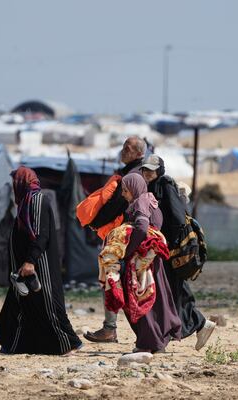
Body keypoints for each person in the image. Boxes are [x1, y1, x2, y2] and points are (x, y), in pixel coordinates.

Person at [0, 167, 82, 355]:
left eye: (14, 183)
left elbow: (41, 235)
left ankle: (69, 343)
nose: (12, 188)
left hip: (39, 266)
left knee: (48, 306)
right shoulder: (26, 202)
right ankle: (12, 344)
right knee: (20, 304)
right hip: (24, 267)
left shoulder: (37, 200)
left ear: (21, 183)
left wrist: (30, 261)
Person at [141, 154, 216, 350]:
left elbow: (177, 216)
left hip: (170, 247)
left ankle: (191, 325)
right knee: (174, 289)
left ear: (159, 170)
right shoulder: (152, 187)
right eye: (145, 169)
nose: (148, 173)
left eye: (151, 170)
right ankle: (197, 324)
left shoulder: (164, 184)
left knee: (173, 288)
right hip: (163, 246)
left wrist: (170, 244)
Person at [84, 136, 146, 344]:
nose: (123, 151)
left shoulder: (133, 175)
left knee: (114, 280)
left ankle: (112, 329)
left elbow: (118, 205)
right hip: (126, 236)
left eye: (128, 148)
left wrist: (96, 222)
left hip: (124, 238)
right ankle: (112, 328)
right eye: (123, 147)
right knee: (120, 282)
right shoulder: (135, 172)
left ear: (138, 152)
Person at [118, 174, 182, 353]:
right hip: (153, 260)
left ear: (134, 188)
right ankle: (157, 340)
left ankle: (149, 342)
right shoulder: (151, 201)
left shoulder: (140, 203)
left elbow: (142, 227)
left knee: (141, 298)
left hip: (142, 261)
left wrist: (127, 251)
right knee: (157, 299)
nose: (123, 194)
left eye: (125, 190)